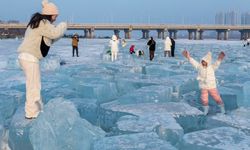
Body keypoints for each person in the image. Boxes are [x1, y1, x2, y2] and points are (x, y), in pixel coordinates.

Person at [17, 0, 67, 119]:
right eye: (56, 15)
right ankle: (31, 114)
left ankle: (35, 110)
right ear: (50, 14)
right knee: (34, 86)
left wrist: (59, 32)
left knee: (33, 85)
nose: (56, 18)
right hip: (30, 57)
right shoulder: (43, 22)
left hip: (26, 56)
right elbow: (54, 33)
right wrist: (63, 25)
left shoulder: (37, 22)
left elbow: (50, 38)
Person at [182, 50, 226, 115]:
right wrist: (188, 57)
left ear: (208, 62)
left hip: (211, 86)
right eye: (202, 61)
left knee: (216, 97)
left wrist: (220, 58)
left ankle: (222, 108)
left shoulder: (212, 67)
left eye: (205, 62)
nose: (203, 63)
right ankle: (206, 109)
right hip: (203, 86)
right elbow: (193, 62)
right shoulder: (199, 67)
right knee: (204, 99)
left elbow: (217, 64)